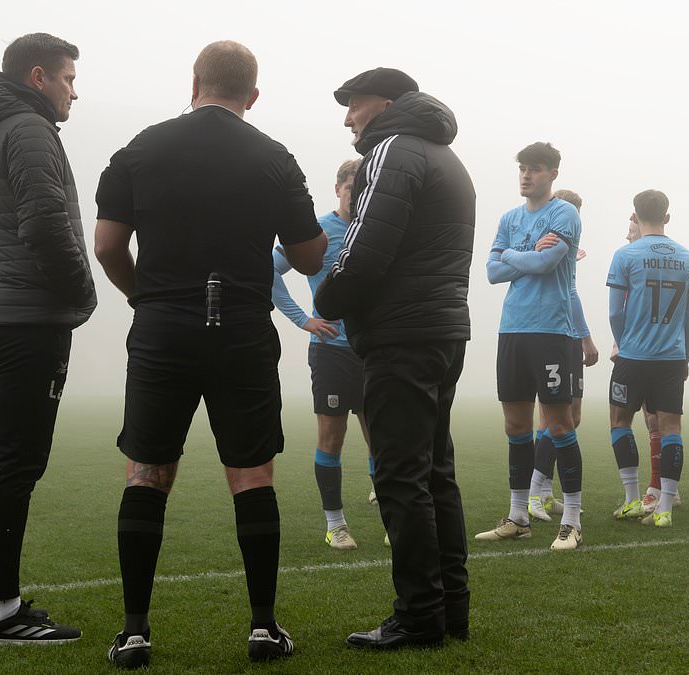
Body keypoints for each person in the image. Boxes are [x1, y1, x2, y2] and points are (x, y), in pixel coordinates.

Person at [94, 40, 326, 669]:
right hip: (243, 330)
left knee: (147, 472)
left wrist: (146, 297)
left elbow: (108, 246)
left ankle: (135, 631)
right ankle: (262, 628)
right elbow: (309, 257)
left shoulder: (140, 148)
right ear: (254, 96)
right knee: (251, 474)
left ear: (193, 81)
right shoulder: (275, 157)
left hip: (162, 328)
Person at [315, 66, 475, 650]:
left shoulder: (392, 150)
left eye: (353, 105)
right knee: (436, 475)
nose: (348, 117)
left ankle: (418, 616)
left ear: (384, 104)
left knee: (401, 479)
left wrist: (328, 296)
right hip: (441, 332)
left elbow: (364, 249)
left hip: (400, 338)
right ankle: (449, 609)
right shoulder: (444, 157)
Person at [0, 32, 97, 646]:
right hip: (27, 318)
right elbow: (43, 222)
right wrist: (80, 295)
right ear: (38, 77)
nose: (73, 92)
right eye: (67, 78)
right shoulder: (29, 130)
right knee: (18, 461)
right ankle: (5, 617)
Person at [480, 142, 585, 551]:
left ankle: (573, 521)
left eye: (535, 169)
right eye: (522, 168)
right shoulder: (510, 217)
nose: (526, 175)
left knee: (558, 425)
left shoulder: (564, 213)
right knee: (516, 427)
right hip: (513, 330)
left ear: (553, 174)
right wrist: (519, 252)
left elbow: (544, 266)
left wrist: (510, 255)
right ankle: (518, 516)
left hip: (550, 332)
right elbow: (491, 272)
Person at [271, 158, 377, 550]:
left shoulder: (375, 231)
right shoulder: (318, 232)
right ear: (338, 189)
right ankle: (336, 524)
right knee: (332, 437)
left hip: (373, 350)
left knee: (380, 438)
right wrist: (303, 320)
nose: (358, 197)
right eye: (352, 189)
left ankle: (390, 519)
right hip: (331, 351)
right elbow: (270, 269)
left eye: (365, 190)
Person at [605, 191, 689, 527]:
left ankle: (632, 500)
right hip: (671, 359)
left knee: (620, 421)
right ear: (667, 216)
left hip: (632, 356)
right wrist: (684, 353)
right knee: (671, 428)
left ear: (635, 214)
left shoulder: (625, 254)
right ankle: (664, 509)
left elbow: (616, 311)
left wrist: (623, 339)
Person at [526, 188, 598, 522]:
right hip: (559, 333)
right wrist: (586, 338)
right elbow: (569, 293)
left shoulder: (564, 242)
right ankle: (533, 493)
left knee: (567, 417)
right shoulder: (555, 240)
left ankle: (542, 492)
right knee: (559, 419)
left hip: (564, 333)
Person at [614, 217, 680, 514]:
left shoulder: (637, 260)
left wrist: (622, 342)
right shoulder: (634, 261)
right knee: (653, 421)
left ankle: (657, 491)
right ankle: (661, 493)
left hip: (641, 353)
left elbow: (619, 312)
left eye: (631, 226)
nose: (627, 231)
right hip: (661, 355)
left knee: (653, 422)